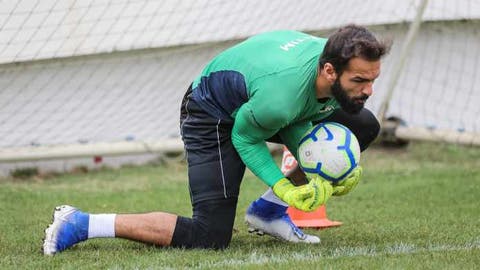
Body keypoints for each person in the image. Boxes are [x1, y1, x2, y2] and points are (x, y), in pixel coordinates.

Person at [43, 25, 389, 254]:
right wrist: (286, 186)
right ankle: (82, 223)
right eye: (359, 80)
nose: (368, 90)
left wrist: (332, 167)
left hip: (262, 100)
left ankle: (268, 211)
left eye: (372, 79)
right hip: (213, 115)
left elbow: (302, 116)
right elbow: (247, 138)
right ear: (330, 70)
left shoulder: (328, 64)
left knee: (364, 126)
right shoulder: (280, 99)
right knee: (209, 236)